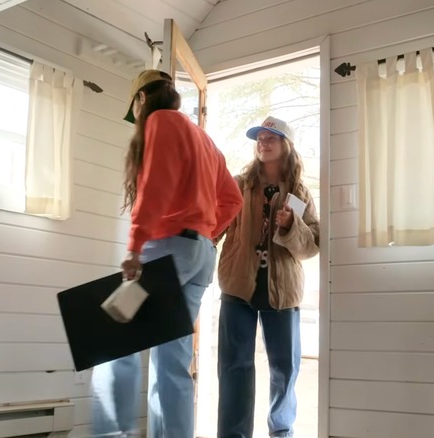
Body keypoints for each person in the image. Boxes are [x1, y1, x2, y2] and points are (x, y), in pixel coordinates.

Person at [91, 69, 243, 438]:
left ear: (142, 99)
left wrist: (135, 246)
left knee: (114, 345)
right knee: (171, 360)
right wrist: (205, 232)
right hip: (199, 255)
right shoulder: (204, 139)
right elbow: (233, 200)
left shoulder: (160, 122)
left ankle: (113, 434)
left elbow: (154, 187)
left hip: (166, 250)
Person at [216, 116, 320, 438]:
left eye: (270, 137)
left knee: (285, 370)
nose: (263, 142)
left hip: (283, 292)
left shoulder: (300, 192)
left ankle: (282, 432)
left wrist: (291, 226)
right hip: (237, 286)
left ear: (285, 144)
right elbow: (216, 223)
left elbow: (312, 245)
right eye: (259, 138)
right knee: (234, 368)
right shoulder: (238, 184)